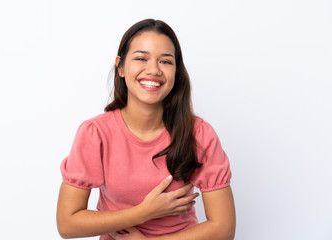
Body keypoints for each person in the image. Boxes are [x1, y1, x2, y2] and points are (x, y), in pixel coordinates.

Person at [57, 19, 236, 240]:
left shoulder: (198, 133)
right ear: (121, 67)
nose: (153, 70)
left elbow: (224, 230)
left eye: (165, 61)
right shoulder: (95, 133)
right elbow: (67, 224)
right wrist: (144, 212)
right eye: (141, 58)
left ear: (176, 72)